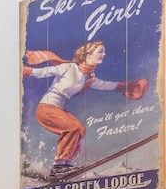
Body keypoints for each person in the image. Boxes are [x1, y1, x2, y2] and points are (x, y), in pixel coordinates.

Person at [22, 41, 148, 176]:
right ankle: (59, 164)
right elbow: (45, 72)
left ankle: (65, 163)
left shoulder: (89, 78)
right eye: (100, 51)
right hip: (46, 108)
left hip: (56, 108)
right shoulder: (69, 67)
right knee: (73, 128)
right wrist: (27, 71)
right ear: (88, 54)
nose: (103, 54)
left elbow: (106, 85)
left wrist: (127, 86)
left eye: (103, 51)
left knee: (80, 130)